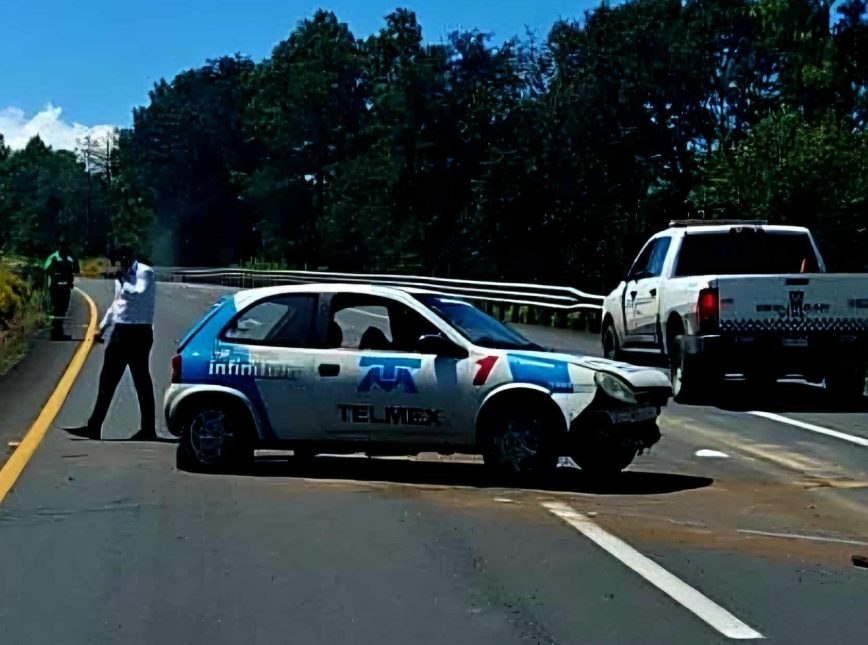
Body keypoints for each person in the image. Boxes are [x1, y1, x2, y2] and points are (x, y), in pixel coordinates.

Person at [73, 246, 157, 441]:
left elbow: (138, 293)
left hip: (139, 332)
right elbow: (116, 305)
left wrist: (122, 279)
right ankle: (94, 426)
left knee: (141, 381)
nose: (115, 265)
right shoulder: (123, 277)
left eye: (117, 262)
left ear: (127, 259)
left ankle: (148, 429)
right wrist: (102, 328)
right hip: (121, 331)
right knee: (107, 379)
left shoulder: (144, 272)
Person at [44, 238, 76, 340]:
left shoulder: (69, 259)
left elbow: (72, 273)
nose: (63, 248)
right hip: (56, 288)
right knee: (57, 310)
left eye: (65, 246)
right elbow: (46, 270)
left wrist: (70, 281)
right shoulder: (53, 257)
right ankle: (56, 332)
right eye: (62, 246)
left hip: (65, 288)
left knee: (63, 310)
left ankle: (58, 332)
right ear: (59, 246)